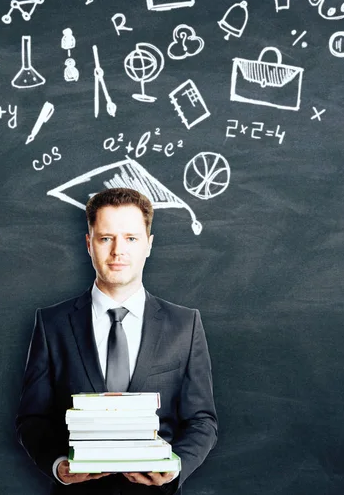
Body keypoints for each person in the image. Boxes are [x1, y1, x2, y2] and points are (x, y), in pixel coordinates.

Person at [16, 188, 217, 494]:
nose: (118, 251)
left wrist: (175, 467)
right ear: (89, 243)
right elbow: (33, 418)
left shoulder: (184, 325)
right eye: (106, 238)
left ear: (149, 245)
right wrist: (58, 465)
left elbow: (202, 420)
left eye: (131, 238)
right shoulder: (52, 324)